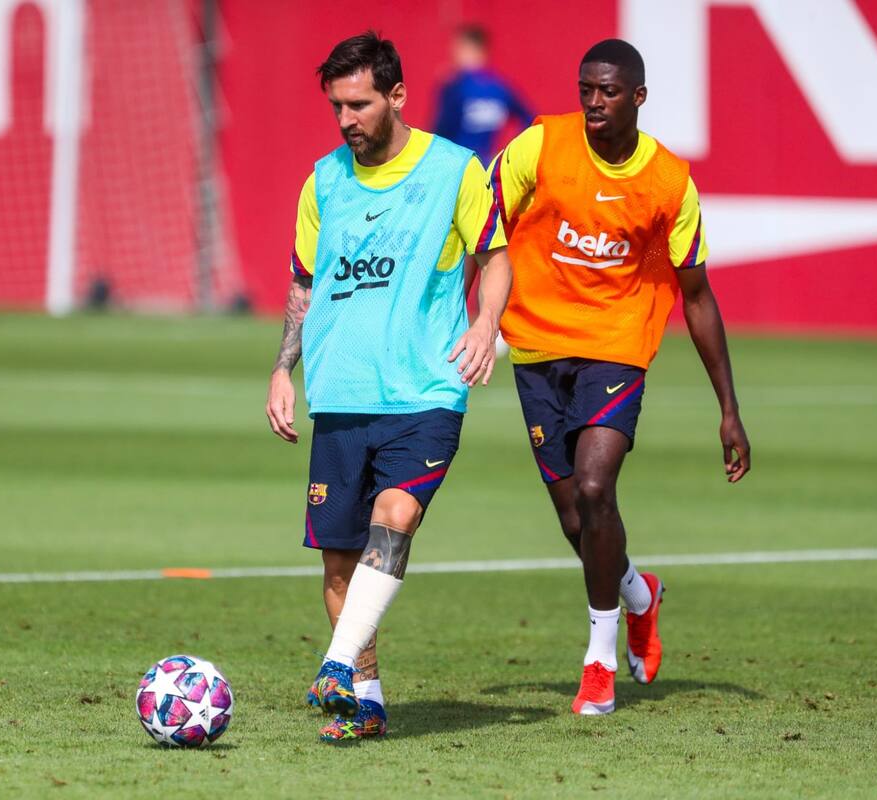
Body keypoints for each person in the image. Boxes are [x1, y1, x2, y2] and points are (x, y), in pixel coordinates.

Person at [487, 39, 750, 715]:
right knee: (578, 518)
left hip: (616, 343)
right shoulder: (537, 147)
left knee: (598, 487)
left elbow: (695, 296)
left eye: (607, 92)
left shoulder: (668, 181)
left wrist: (729, 407)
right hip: (538, 345)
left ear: (637, 97)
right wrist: (473, 322)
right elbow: (482, 229)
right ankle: (639, 594)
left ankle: (599, 662)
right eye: (585, 91)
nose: (593, 103)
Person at [265, 31, 512, 742]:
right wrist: (285, 367)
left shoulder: (454, 170)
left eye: (360, 103)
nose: (346, 119)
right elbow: (305, 283)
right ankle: (365, 701)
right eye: (337, 106)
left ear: (397, 95)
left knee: (396, 516)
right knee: (339, 567)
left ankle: (335, 666)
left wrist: (485, 318)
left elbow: (495, 255)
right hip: (339, 396)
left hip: (425, 389)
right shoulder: (324, 180)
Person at [433, 24, 532, 168]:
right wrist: (512, 155)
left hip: (457, 168)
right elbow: (529, 120)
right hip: (487, 167)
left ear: (467, 49)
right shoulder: (501, 87)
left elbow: (440, 132)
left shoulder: (455, 86)